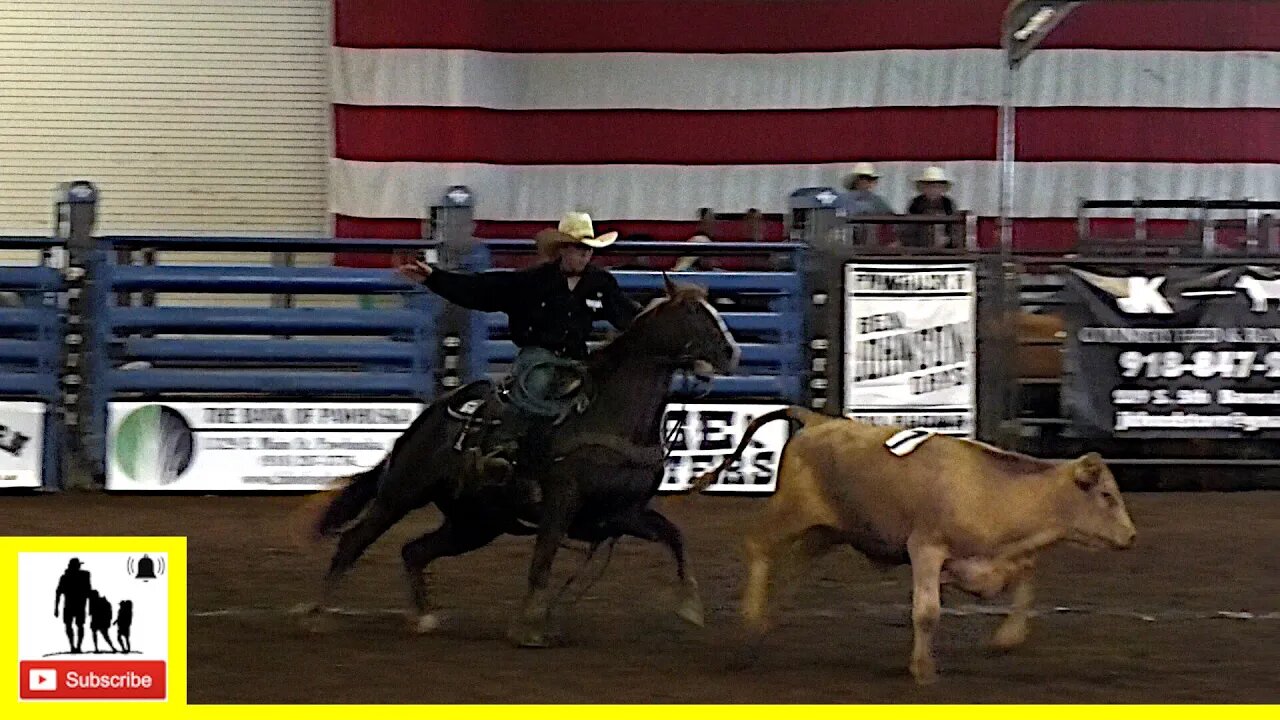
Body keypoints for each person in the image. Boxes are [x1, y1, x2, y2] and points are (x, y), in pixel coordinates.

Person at [398, 211, 642, 504]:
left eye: (588, 249)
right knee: (536, 386)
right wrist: (435, 278)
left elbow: (628, 317)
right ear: (562, 250)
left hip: (578, 362)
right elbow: (482, 291)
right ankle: (503, 449)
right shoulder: (533, 281)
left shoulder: (601, 284)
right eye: (579, 248)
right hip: (537, 357)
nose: (585, 255)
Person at [839, 162, 895, 245]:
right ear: (857, 180)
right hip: (849, 241)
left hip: (869, 244)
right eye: (865, 178)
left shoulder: (877, 200)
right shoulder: (842, 199)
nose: (869, 182)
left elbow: (891, 219)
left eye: (871, 179)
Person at [904, 165, 960, 248]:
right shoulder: (915, 203)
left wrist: (948, 239)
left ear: (942, 188)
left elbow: (956, 229)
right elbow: (907, 229)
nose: (932, 189)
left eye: (937, 186)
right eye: (928, 185)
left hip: (945, 251)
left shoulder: (948, 204)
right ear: (922, 187)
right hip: (919, 248)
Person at [54, 558, 92, 653]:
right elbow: (58, 592)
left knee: (76, 625)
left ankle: (76, 646)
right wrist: (56, 608)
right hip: (76, 604)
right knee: (74, 625)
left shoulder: (83, 575)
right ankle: (74, 646)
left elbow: (58, 592)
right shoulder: (83, 575)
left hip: (75, 605)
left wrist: (56, 608)